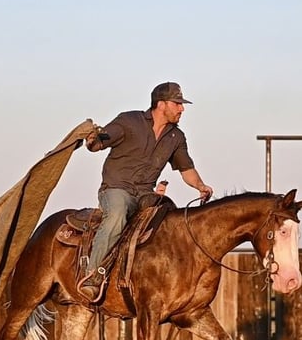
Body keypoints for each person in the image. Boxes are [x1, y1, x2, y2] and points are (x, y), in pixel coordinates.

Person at [78, 81, 214, 303]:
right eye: (177, 103)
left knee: (169, 218)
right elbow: (97, 144)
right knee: (116, 216)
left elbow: (186, 169)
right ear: (161, 104)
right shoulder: (128, 121)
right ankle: (92, 276)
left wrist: (200, 185)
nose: (182, 109)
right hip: (116, 189)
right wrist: (92, 139)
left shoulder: (176, 137)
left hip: (145, 195)